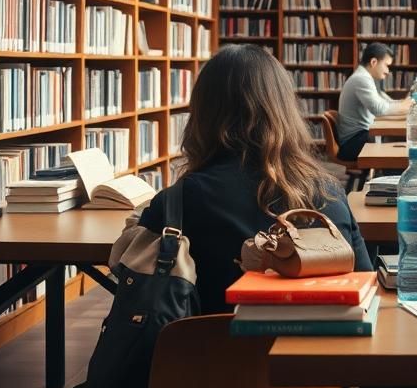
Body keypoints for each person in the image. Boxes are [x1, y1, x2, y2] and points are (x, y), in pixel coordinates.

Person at [137, 44, 372, 313]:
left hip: (208, 352)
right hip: (315, 351)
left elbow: (134, 276)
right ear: (285, 110)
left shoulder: (177, 203)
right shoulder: (329, 190)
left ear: (201, 114)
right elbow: (365, 286)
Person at [336, 42, 413, 162]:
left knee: (400, 144)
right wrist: (404, 105)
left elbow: (384, 103)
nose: (388, 71)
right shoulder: (361, 79)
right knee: (399, 148)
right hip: (353, 143)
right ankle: (391, 174)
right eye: (387, 65)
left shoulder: (365, 77)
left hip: (359, 138)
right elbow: (379, 109)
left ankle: (390, 174)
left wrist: (403, 103)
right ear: (373, 62)